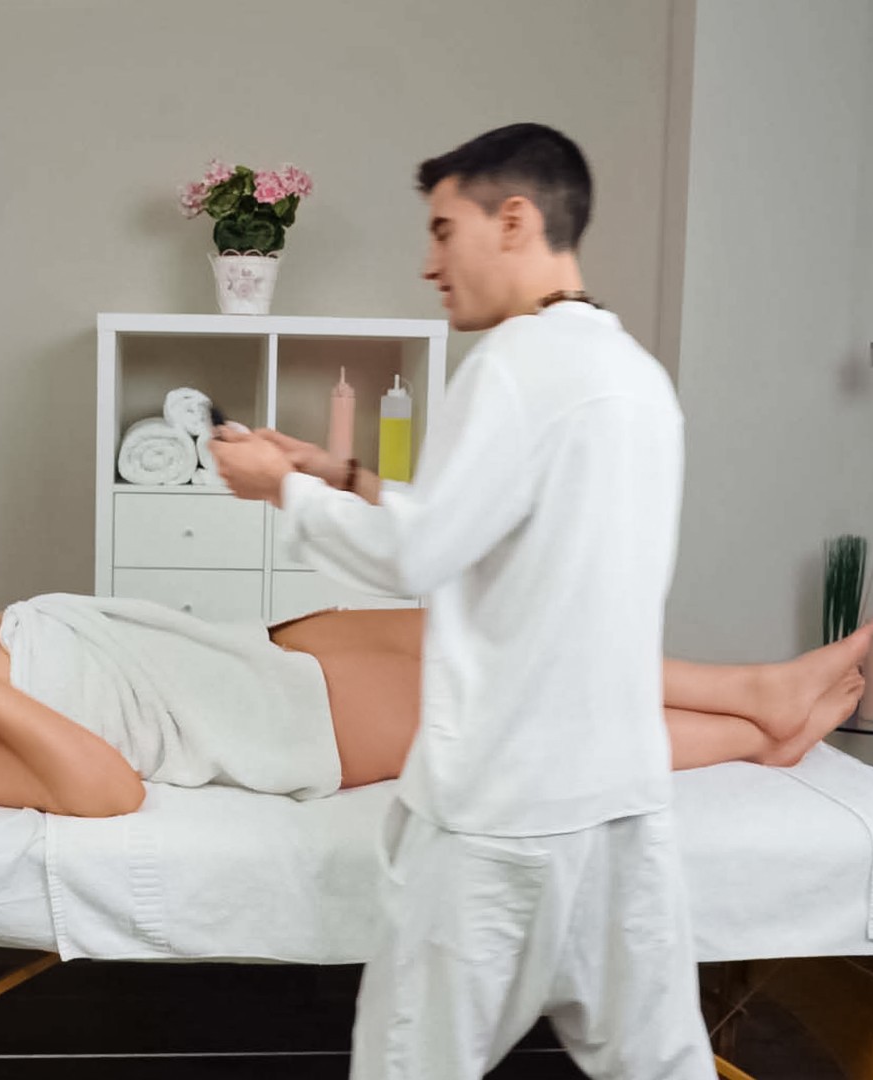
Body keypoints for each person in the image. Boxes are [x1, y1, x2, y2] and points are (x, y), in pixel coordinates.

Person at [210, 123, 713, 1078]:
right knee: (659, 1062)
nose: (429, 263)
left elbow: (418, 556)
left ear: (513, 220)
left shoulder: (515, 366)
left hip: (501, 814)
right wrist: (334, 472)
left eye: (444, 231)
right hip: (620, 801)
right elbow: (482, 526)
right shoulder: (638, 381)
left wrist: (282, 492)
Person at [0, 595, 873, 852]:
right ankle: (758, 714)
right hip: (290, 718)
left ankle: (755, 702)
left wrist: (0, 638)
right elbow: (109, 790)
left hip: (271, 650)